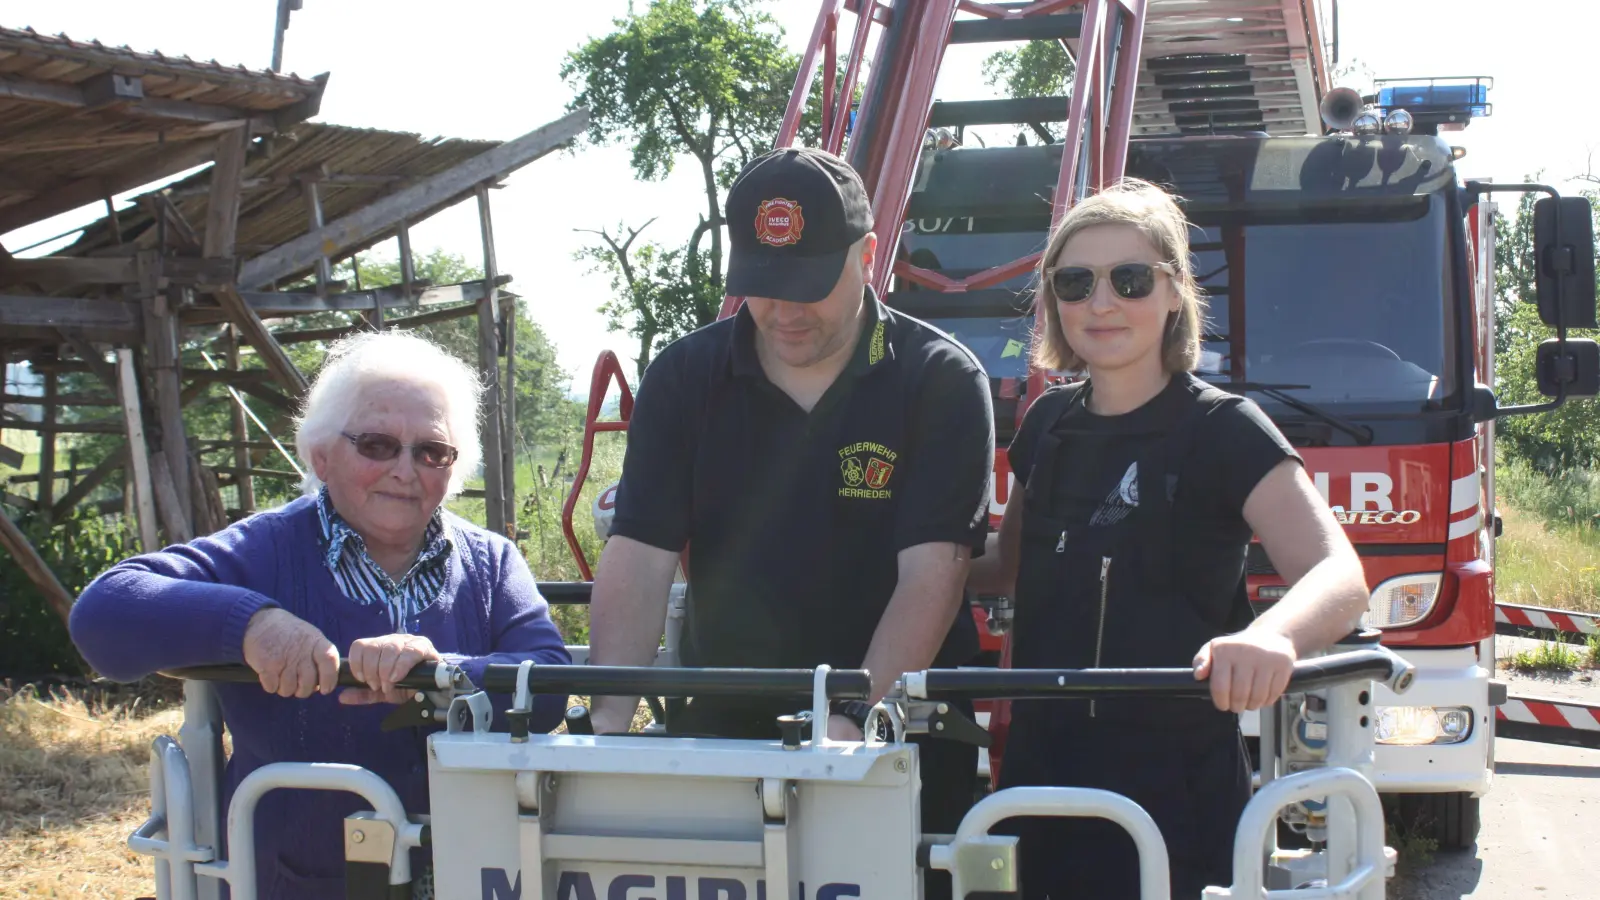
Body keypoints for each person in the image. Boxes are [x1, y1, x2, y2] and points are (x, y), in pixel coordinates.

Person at [586, 146, 995, 897]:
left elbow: (933, 576)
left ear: (868, 256)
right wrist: (608, 721)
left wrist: (850, 723)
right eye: (763, 285)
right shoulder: (685, 376)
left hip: (894, 740)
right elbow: (639, 556)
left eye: (809, 285)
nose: (785, 311)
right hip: (723, 735)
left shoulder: (938, 378)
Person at [965, 178, 1371, 900]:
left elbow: (1340, 576)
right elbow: (1003, 566)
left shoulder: (1225, 429)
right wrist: (895, 558)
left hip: (1177, 794)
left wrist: (1272, 638)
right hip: (1037, 782)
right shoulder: (1045, 426)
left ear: (1176, 291)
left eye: (1130, 279)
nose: (1101, 302)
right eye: (1075, 282)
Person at [68, 330, 571, 900]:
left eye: (432, 452)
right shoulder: (264, 551)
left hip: (476, 878)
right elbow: (103, 613)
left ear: (453, 469)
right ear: (321, 456)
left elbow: (548, 682)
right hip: (296, 881)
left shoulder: (490, 561)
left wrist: (439, 676)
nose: (405, 470)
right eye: (377, 445)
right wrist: (253, 625)